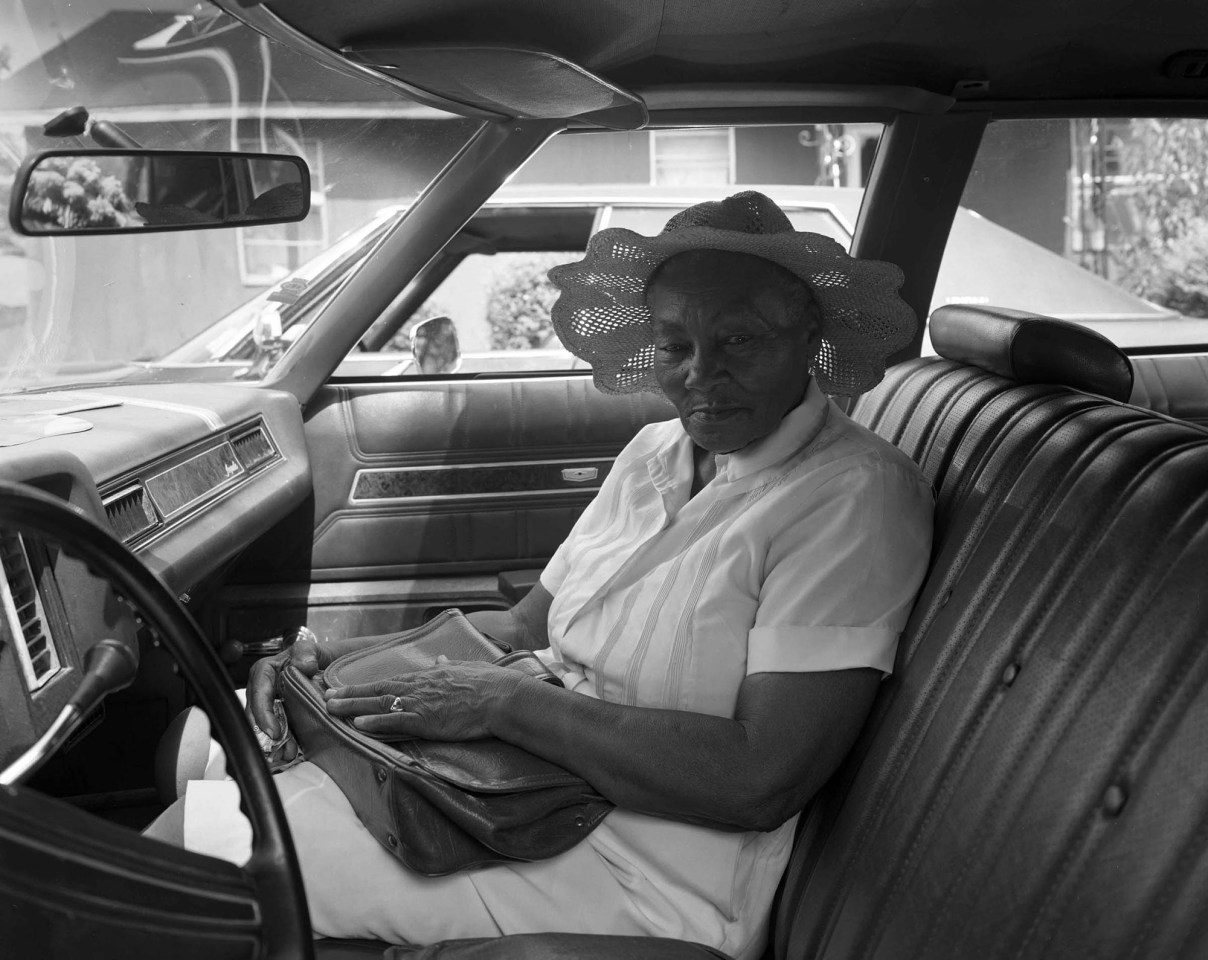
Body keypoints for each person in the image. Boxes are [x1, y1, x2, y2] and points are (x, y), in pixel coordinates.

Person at [157, 191, 934, 960]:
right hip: (523, 786)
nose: (702, 373)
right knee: (209, 739)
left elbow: (760, 778)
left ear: (808, 339)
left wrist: (507, 706)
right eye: (675, 345)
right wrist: (329, 665)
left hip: (645, 867)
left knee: (182, 856)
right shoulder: (655, 452)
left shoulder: (852, 496)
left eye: (739, 340)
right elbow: (525, 626)